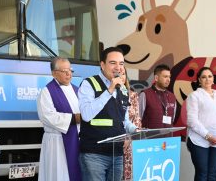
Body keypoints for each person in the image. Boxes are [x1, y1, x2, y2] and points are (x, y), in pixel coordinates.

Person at [78, 47, 137, 181]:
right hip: (94, 155)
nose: (118, 67)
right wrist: (109, 89)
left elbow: (124, 120)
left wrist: (136, 130)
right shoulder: (89, 84)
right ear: (102, 64)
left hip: (117, 154)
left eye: (121, 64)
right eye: (113, 63)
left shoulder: (122, 88)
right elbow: (86, 115)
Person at [37, 57, 81, 181]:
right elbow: (47, 116)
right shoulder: (47, 91)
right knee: (58, 175)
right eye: (64, 71)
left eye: (70, 70)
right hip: (57, 143)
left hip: (76, 139)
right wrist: (74, 118)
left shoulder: (77, 90)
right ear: (54, 73)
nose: (68, 74)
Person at [186, 67, 216, 181]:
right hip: (199, 140)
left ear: (213, 79)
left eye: (210, 76)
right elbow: (192, 121)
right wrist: (208, 136)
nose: (207, 79)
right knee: (202, 174)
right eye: (204, 77)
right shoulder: (194, 96)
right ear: (199, 80)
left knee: (213, 174)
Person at [139, 64, 177, 129]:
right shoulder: (145, 94)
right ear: (156, 78)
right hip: (149, 138)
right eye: (165, 77)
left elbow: (172, 119)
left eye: (169, 77)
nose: (168, 80)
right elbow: (138, 118)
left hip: (167, 138)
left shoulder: (172, 97)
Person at [122, 68, 142, 181]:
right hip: (114, 141)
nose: (121, 76)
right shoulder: (108, 94)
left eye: (123, 74)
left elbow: (137, 119)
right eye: (118, 74)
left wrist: (129, 137)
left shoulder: (133, 95)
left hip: (129, 142)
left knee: (127, 175)